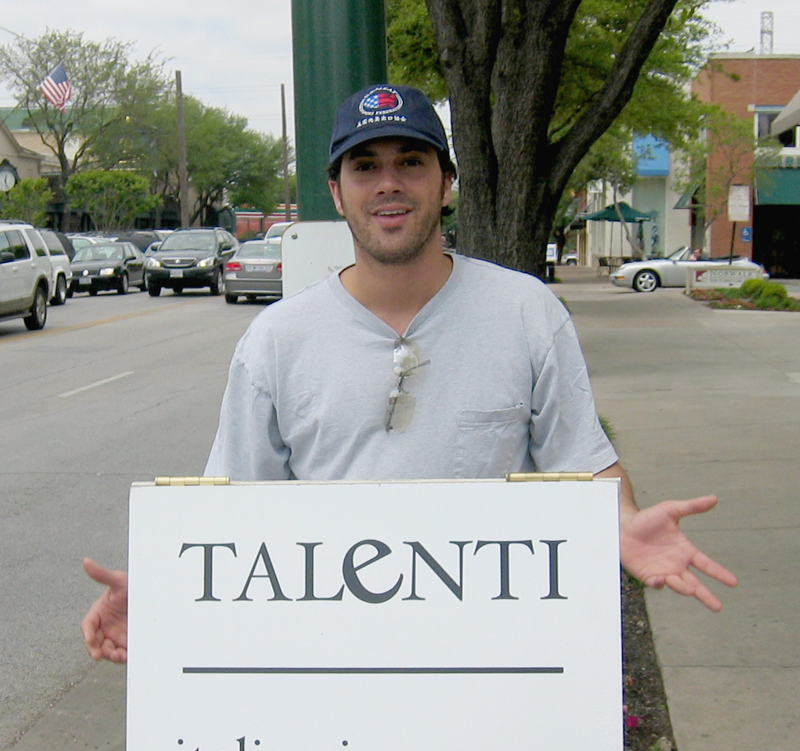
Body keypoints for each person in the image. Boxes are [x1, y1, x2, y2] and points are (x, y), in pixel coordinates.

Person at [82, 84, 736, 663]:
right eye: (365, 166)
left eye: (411, 162)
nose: (388, 183)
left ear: (446, 183)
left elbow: (583, 458)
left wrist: (621, 522)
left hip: (488, 663)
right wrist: (166, 589)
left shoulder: (526, 312)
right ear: (337, 191)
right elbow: (228, 512)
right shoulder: (275, 341)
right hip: (327, 667)